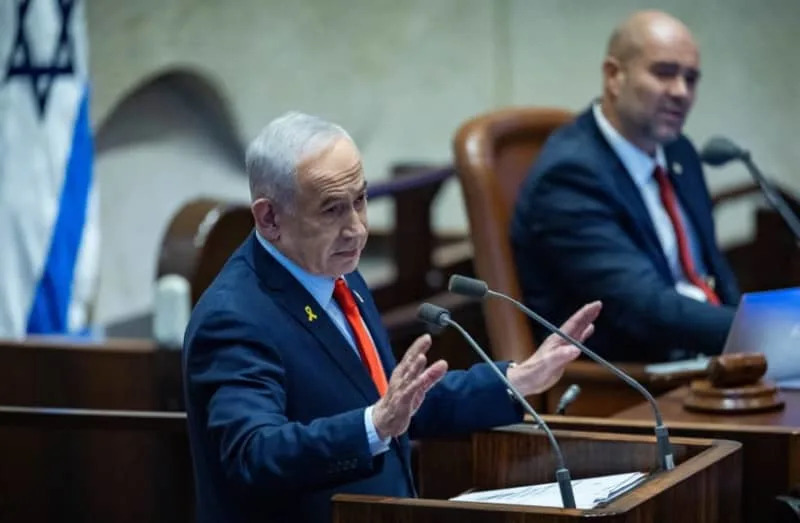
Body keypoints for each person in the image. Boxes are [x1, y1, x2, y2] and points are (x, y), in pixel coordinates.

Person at [183, 111, 601, 523]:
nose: (357, 228)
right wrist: (375, 425)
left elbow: (394, 404)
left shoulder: (338, 272)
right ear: (269, 217)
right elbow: (254, 456)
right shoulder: (235, 317)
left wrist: (515, 382)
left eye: (360, 200)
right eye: (331, 210)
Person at [510, 10, 739, 363]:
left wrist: (761, 340)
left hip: (702, 364)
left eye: (691, 79)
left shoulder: (679, 152)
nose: (681, 92)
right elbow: (641, 309)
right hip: (624, 383)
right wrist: (752, 333)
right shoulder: (570, 177)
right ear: (614, 76)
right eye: (664, 73)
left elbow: (715, 275)